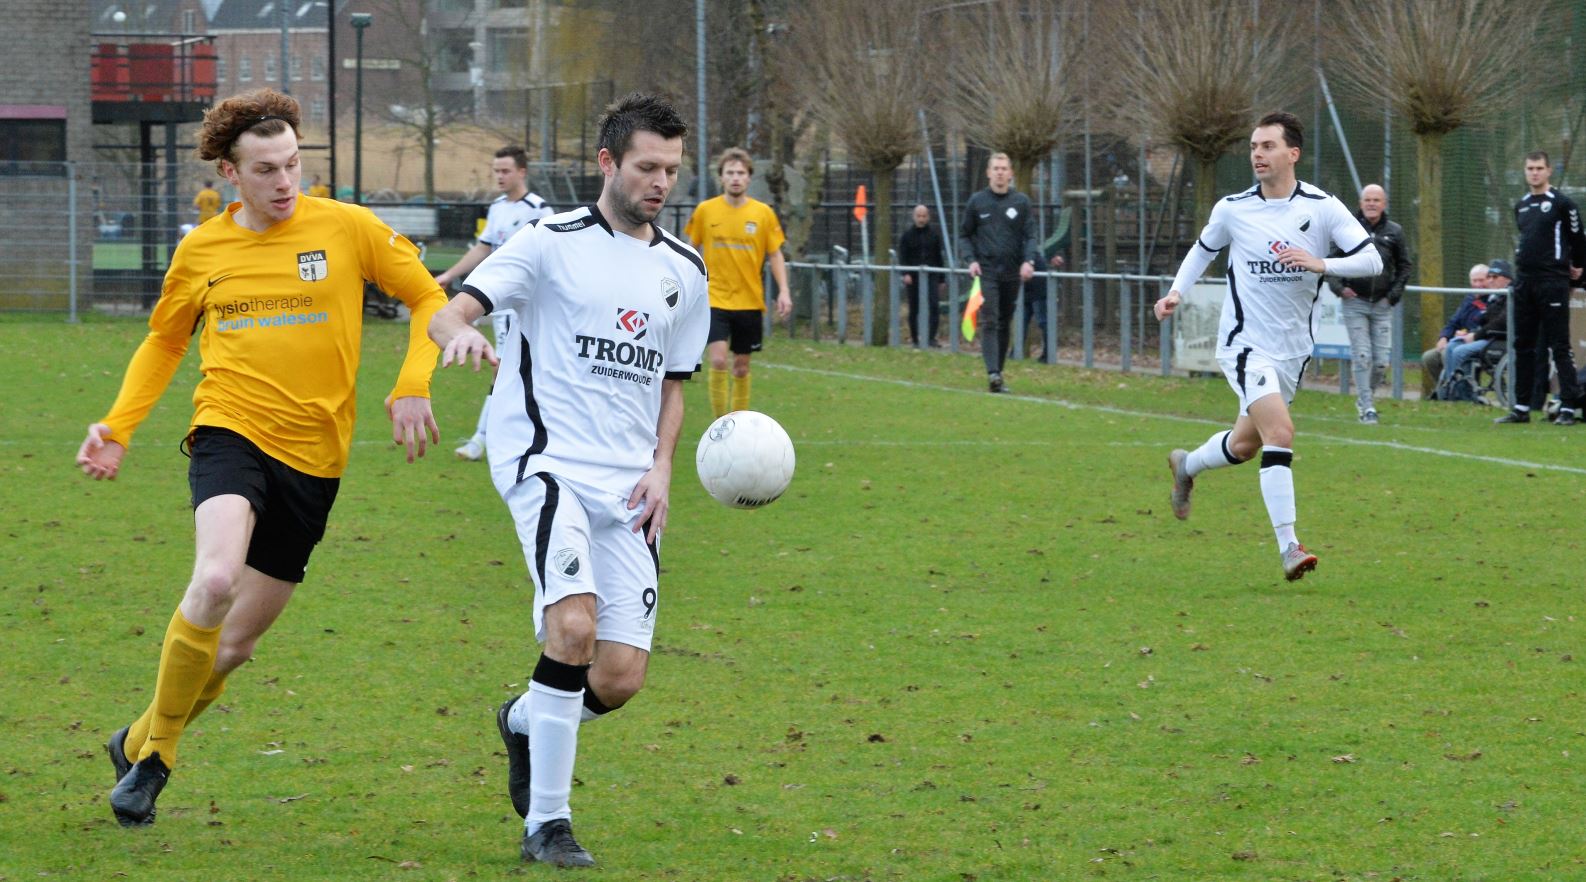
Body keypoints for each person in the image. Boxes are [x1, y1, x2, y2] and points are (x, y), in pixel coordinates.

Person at [75, 88, 447, 829]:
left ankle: (138, 739)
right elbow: (165, 341)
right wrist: (117, 426)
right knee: (213, 579)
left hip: (316, 461)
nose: (285, 183)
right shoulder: (203, 248)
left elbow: (430, 299)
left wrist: (412, 385)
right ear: (229, 173)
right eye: (267, 170)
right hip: (230, 431)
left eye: (293, 165)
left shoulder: (346, 227)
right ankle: (158, 763)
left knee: (234, 645)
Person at [428, 93, 708, 868]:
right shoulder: (548, 241)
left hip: (629, 485)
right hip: (545, 463)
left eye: (673, 170)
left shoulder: (684, 270)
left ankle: (525, 719)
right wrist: (460, 339)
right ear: (608, 162)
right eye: (648, 166)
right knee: (573, 628)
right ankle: (547, 824)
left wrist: (662, 469)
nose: (661, 182)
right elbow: (450, 314)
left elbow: (673, 385)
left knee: (617, 677)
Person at [1154, 111, 1381, 582]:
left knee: (1244, 444)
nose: (1257, 154)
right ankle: (1289, 547)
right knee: (1281, 434)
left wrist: (1321, 263)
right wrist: (1177, 291)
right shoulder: (1233, 208)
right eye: (1254, 147)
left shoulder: (1322, 207)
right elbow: (1202, 250)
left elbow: (1372, 259)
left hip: (1293, 351)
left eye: (1268, 146)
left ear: (1292, 154)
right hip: (1244, 344)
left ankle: (1187, 466)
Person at [434, 146, 555, 460]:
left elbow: (555, 258)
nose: (499, 176)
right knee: (504, 369)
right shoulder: (498, 207)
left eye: (505, 171)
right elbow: (483, 249)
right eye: (496, 171)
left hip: (528, 309)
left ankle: (485, 438)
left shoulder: (539, 210)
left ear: (522, 172)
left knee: (516, 369)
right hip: (501, 309)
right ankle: (487, 438)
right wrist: (448, 275)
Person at [684, 147, 791, 417]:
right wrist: (686, 284)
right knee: (718, 360)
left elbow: (775, 253)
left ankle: (738, 423)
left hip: (749, 301)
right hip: (715, 299)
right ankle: (720, 423)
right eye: (730, 173)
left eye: (741, 173)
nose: (735, 178)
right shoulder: (706, 211)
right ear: (721, 177)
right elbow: (690, 249)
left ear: (748, 178)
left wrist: (784, 291)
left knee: (741, 366)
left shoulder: (763, 213)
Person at [1495, 150, 1586, 426]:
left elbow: (1578, 238)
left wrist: (1576, 271)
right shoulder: (1521, 205)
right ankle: (1521, 406)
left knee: (1560, 344)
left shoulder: (1562, 204)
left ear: (1548, 171)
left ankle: (1568, 406)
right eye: (1530, 168)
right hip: (1525, 281)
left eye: (1538, 168)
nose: (1534, 173)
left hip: (1553, 281)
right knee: (1523, 344)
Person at [1327, 183, 1412, 424]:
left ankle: (1366, 398)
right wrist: (1340, 288)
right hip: (1355, 303)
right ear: (1361, 203)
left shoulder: (1395, 232)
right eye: (1368, 200)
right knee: (1362, 355)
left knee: (1381, 362)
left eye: (1377, 200)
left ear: (1384, 204)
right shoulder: (1347, 229)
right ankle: (1367, 407)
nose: (1372, 204)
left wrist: (1393, 294)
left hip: (1383, 304)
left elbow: (1405, 265)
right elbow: (1331, 261)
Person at [958, 152, 1039, 393]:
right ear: (989, 172)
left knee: (1004, 320)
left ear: (1011, 173)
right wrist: (970, 260)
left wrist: (1029, 261)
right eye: (996, 168)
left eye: (1004, 168)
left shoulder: (1021, 202)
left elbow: (1030, 235)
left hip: (1012, 272)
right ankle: (993, 372)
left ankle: (998, 373)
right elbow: (964, 235)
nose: (1000, 172)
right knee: (990, 319)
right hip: (987, 270)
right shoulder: (977, 201)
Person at [1439, 260, 1511, 401]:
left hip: (1498, 340)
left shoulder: (1510, 295)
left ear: (1507, 278)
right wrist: (1447, 335)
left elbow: (1500, 323)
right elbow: (1479, 320)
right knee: (1451, 347)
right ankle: (1450, 392)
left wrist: (1475, 334)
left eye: (1494, 277)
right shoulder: (1491, 297)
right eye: (1489, 277)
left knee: (1460, 351)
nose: (1490, 281)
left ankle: (1464, 397)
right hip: (1484, 336)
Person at [1421, 263, 1490, 399]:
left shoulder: (1493, 299)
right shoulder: (1469, 299)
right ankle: (1445, 389)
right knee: (1429, 357)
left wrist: (1470, 333)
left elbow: (1488, 324)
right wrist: (1444, 337)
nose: (1478, 284)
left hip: (1478, 340)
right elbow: (1453, 322)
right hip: (1458, 340)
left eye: (1481, 280)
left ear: (1489, 280)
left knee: (1448, 353)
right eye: (1474, 281)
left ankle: (1457, 394)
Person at [897, 203, 946, 347]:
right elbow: (903, 256)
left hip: (931, 274)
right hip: (913, 276)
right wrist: (905, 273)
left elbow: (939, 257)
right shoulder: (907, 236)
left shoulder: (934, 235)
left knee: (934, 305)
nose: (921, 219)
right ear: (914, 217)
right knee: (914, 307)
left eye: (924, 216)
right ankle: (915, 339)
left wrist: (941, 278)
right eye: (919, 216)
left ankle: (931, 338)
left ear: (928, 217)